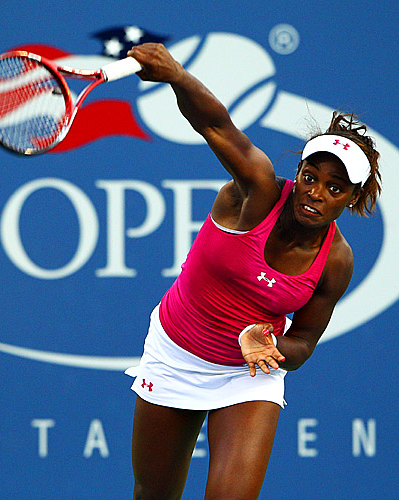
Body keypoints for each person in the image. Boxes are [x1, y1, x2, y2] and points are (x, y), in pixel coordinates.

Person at [124, 43, 382, 500]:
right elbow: (215, 125)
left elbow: (304, 342)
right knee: (153, 494)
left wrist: (272, 347)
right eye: (310, 177)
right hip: (176, 353)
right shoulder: (256, 192)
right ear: (298, 173)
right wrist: (176, 75)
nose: (316, 193)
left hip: (246, 376)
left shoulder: (336, 261)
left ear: (352, 198)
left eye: (335, 187)